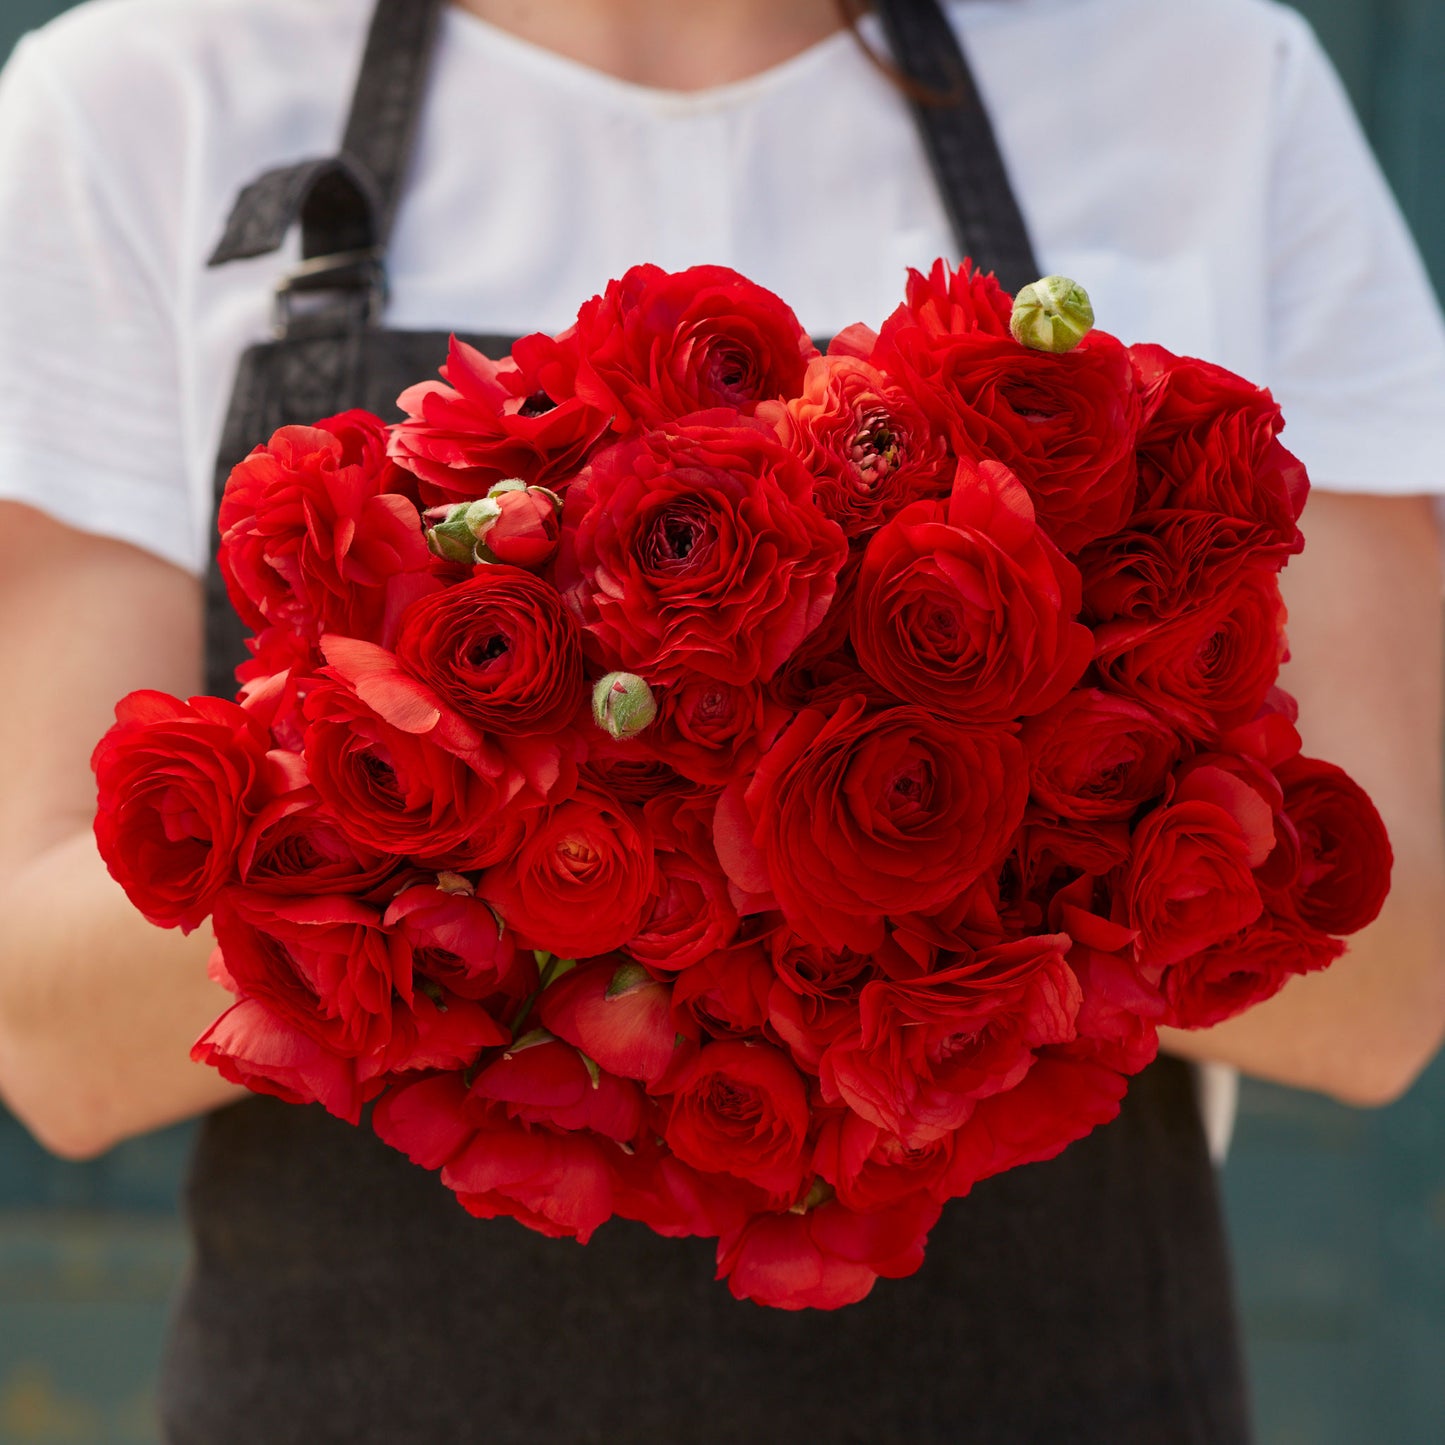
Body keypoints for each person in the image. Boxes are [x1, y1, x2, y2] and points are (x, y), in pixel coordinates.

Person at [0, 0, 1441, 1440]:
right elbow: (47, 1024)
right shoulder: (147, 101)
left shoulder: (1199, 79)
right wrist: (562, 794)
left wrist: (860, 776)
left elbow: (1386, 980)